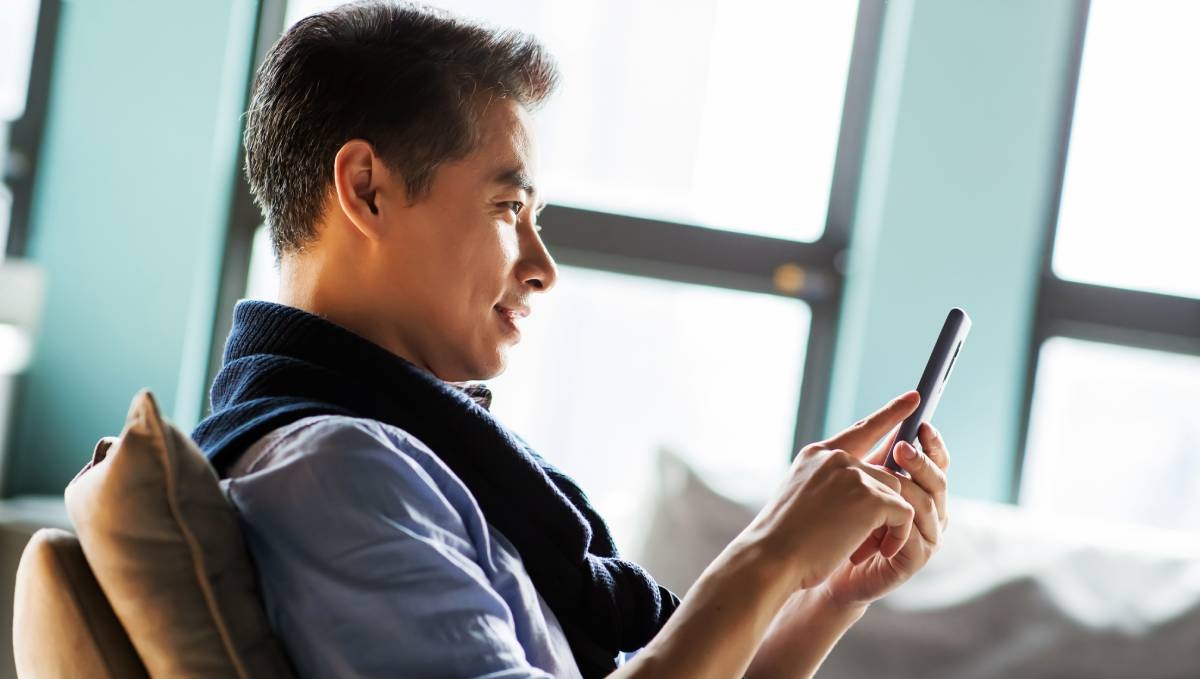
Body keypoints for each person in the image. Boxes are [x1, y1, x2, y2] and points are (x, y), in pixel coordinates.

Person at [191, 2, 952, 677]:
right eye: (507, 207)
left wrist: (820, 596)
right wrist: (772, 553)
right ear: (365, 189)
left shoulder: (393, 454)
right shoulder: (337, 472)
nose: (542, 268)